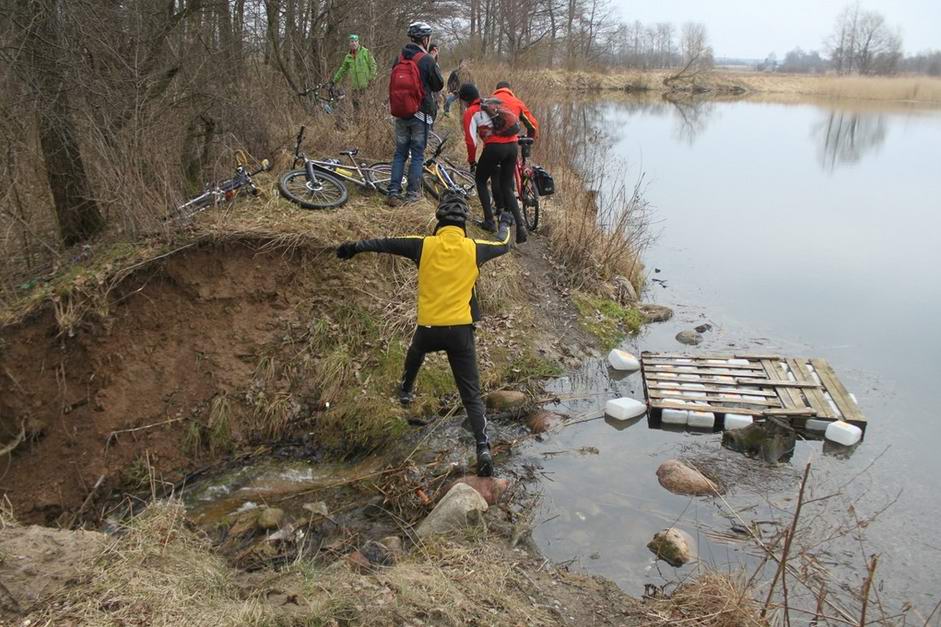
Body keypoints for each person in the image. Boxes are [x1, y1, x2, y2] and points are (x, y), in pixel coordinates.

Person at [335, 192, 514, 476]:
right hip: (460, 333)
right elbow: (503, 244)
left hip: (429, 328)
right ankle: (482, 447)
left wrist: (353, 247)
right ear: (464, 223)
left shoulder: (423, 245)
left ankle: (406, 392)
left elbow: (384, 244)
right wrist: (505, 222)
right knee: (471, 394)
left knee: (415, 353)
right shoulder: (474, 248)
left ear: (438, 220)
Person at [459, 83, 527, 243]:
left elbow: (470, 141)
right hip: (512, 147)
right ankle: (520, 225)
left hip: (495, 148)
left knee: (480, 180)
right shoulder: (492, 103)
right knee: (507, 186)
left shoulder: (471, 112)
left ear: (465, 100)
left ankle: (489, 221)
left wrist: (471, 160)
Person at [386, 22, 444, 207]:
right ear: (425, 39)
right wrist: (434, 60)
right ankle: (412, 195)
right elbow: (438, 85)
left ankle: (393, 192)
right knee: (417, 154)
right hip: (421, 114)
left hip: (401, 113)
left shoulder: (399, 57)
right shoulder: (426, 59)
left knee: (399, 154)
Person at [489, 80, 540, 217]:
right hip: (512, 143)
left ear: (497, 90)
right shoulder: (517, 102)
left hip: (494, 145)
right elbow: (533, 125)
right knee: (510, 171)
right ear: (510, 90)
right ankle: (511, 208)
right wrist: (531, 139)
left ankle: (500, 209)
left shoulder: (490, 102)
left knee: (496, 175)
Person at [331, 34, 378, 110]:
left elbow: (373, 65)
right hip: (355, 87)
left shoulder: (365, 52)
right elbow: (342, 69)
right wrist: (334, 80)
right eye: (352, 41)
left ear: (358, 42)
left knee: (367, 107)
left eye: (356, 41)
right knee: (356, 108)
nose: (354, 43)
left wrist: (371, 78)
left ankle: (367, 121)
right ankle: (357, 122)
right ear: (349, 43)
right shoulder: (348, 57)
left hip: (366, 85)